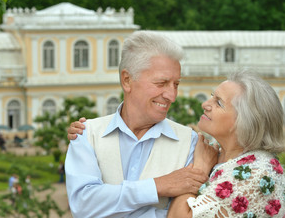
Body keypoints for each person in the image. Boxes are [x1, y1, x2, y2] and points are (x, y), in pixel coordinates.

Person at [65, 31, 210, 218]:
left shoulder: (191, 142)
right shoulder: (85, 134)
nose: (172, 96)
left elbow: (180, 214)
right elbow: (83, 206)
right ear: (127, 80)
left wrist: (105, 203)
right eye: (162, 83)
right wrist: (158, 186)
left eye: (176, 84)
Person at [166, 70, 285, 217]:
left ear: (245, 121)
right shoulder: (217, 155)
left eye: (218, 103)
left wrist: (198, 171)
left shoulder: (254, 175)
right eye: (212, 96)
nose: (205, 104)